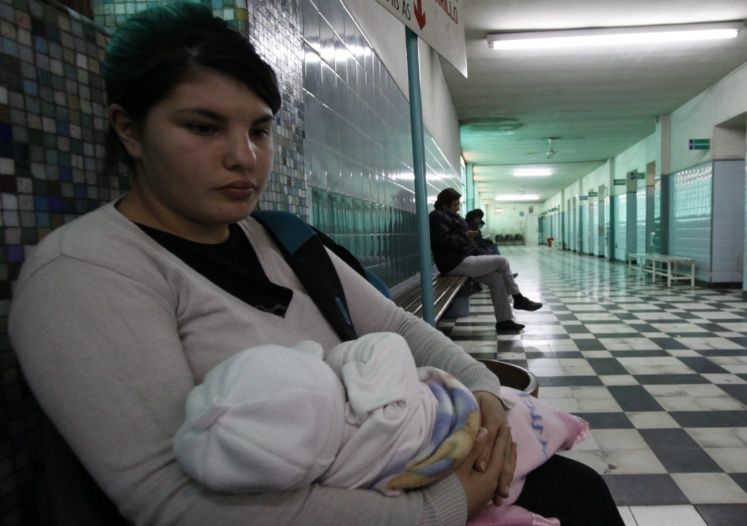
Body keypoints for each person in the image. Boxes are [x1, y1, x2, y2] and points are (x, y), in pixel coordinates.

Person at [8, 4, 624, 525]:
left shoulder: (279, 239)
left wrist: (485, 393)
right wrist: (446, 504)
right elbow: (173, 500)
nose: (243, 156)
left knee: (580, 493)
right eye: (203, 127)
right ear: (129, 130)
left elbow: (397, 325)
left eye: (260, 130)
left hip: (397, 470)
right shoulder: (85, 273)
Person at [173, 332, 589, 526]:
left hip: (428, 479)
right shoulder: (379, 403)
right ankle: (567, 428)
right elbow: (390, 340)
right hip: (456, 434)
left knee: (570, 488)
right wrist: (341, 360)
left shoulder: (341, 471)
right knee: (540, 443)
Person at [430, 189, 542, 333]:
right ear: (445, 205)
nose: (458, 208)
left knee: (497, 279)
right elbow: (442, 242)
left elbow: (460, 239)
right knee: (502, 262)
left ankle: (504, 321)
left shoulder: (451, 216)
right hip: (453, 263)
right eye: (455, 205)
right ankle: (519, 299)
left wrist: (473, 243)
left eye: (458, 204)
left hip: (463, 259)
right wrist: (465, 236)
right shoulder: (436, 217)